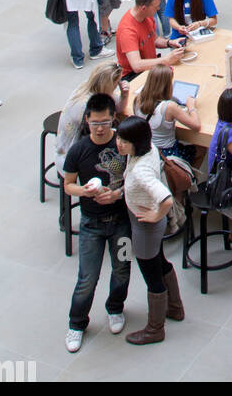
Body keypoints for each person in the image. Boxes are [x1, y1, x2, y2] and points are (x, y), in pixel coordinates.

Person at [63, 92, 131, 352]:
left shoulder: (123, 145)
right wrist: (85, 192)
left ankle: (116, 308)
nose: (100, 128)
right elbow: (69, 184)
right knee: (87, 277)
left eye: (105, 122)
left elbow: (134, 178)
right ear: (87, 121)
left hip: (121, 221)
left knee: (122, 268)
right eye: (95, 123)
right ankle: (76, 323)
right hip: (91, 223)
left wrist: (118, 193)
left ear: (114, 119)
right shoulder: (78, 150)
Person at [115, 115, 180, 346]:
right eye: (119, 137)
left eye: (124, 140)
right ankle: (175, 307)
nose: (118, 143)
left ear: (137, 142)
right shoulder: (148, 147)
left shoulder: (141, 170)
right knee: (160, 262)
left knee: (152, 277)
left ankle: (155, 329)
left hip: (146, 227)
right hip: (152, 225)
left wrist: (154, 214)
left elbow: (166, 199)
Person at [116, 0, 185, 82]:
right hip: (133, 76)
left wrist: (170, 43)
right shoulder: (127, 31)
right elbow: (136, 65)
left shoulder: (147, 16)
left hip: (149, 66)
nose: (158, 8)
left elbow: (154, 39)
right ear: (143, 8)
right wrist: (166, 60)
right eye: (156, 7)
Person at [133, 63, 200, 159]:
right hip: (166, 153)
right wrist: (191, 107)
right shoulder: (169, 107)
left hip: (147, 149)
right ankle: (186, 171)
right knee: (200, 149)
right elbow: (196, 126)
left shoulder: (138, 99)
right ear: (166, 86)